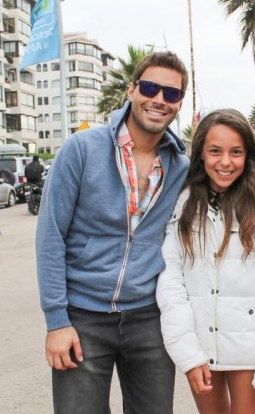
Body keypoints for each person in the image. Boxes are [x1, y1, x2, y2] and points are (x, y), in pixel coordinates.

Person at [36, 51, 191, 413]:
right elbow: (50, 237)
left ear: (179, 103)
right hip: (82, 318)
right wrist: (56, 320)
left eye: (171, 94)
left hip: (149, 318)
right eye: (151, 88)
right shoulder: (82, 149)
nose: (159, 100)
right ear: (132, 90)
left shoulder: (181, 166)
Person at [157, 109, 255, 414]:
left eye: (236, 152)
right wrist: (188, 355)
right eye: (215, 151)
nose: (225, 162)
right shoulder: (182, 205)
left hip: (249, 346)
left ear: (247, 156)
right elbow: (170, 285)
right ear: (201, 155)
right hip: (202, 343)